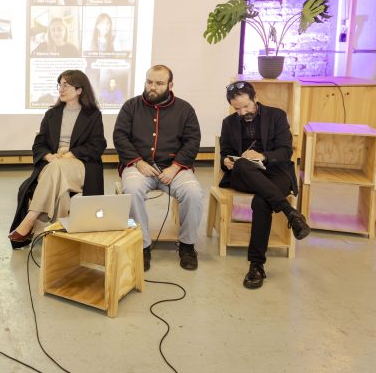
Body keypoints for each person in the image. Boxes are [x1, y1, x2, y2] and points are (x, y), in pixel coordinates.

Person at [219, 81, 311, 289]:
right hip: (244, 174)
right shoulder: (228, 123)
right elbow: (224, 152)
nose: (242, 112)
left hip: (275, 171)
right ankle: (290, 213)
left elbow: (285, 151)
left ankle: (256, 265)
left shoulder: (277, 116)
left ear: (256, 98)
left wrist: (262, 156)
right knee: (242, 164)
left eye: (246, 106)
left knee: (262, 202)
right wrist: (226, 160)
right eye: (237, 109)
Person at [113, 65, 203, 271]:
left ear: (170, 85)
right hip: (139, 166)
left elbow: (192, 141)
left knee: (193, 192)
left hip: (174, 168)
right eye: (149, 82)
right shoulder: (130, 106)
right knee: (132, 191)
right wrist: (138, 162)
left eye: (159, 83)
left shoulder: (185, 109)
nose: (152, 87)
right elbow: (120, 136)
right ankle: (142, 245)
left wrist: (175, 168)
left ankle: (187, 245)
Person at [10, 70, 106, 247]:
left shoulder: (92, 115)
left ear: (79, 90)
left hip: (81, 164)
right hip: (54, 162)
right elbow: (39, 144)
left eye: (65, 85)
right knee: (60, 186)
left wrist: (72, 153)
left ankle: (31, 219)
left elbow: (98, 145)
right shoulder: (51, 115)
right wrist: (48, 155)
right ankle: (59, 237)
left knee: (57, 168)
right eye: (59, 85)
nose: (60, 89)